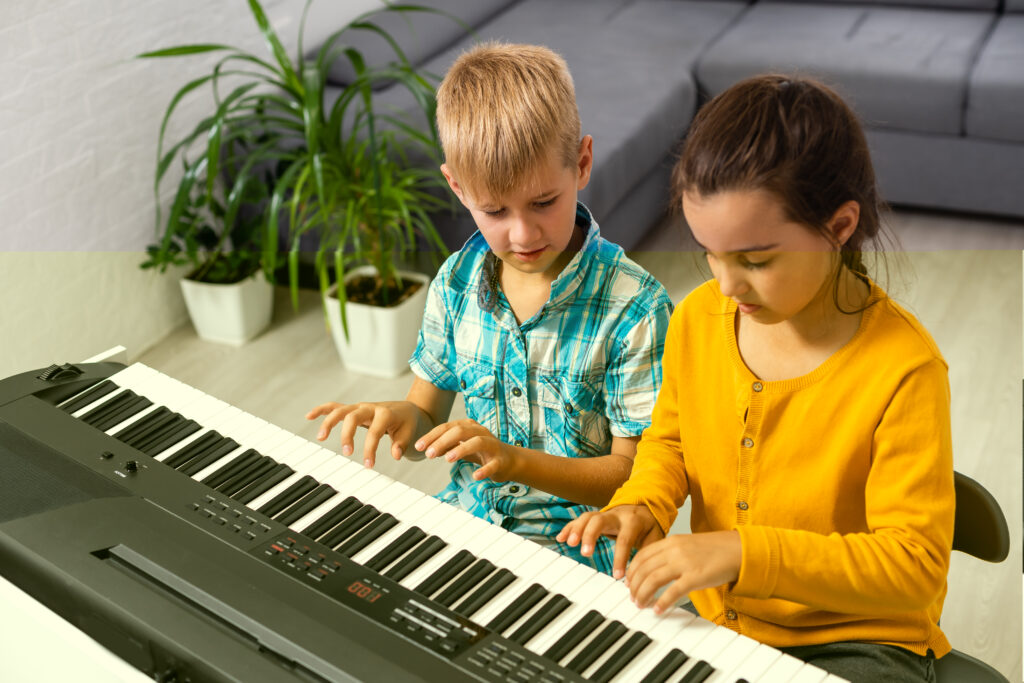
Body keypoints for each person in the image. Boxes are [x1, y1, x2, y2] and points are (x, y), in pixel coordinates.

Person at [557, 74, 953, 682]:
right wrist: (641, 506)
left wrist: (744, 552)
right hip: (720, 618)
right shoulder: (697, 319)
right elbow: (670, 445)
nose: (726, 285)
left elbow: (913, 567)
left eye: (756, 260)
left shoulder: (905, 370)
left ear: (840, 227)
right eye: (710, 253)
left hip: (859, 642)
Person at [307, 43, 673, 575]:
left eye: (544, 202)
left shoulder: (634, 308)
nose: (522, 233)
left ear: (583, 164)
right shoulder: (456, 282)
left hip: (586, 552)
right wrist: (398, 420)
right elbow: (427, 413)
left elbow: (632, 473)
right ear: (457, 186)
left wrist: (514, 461)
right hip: (469, 526)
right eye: (495, 210)